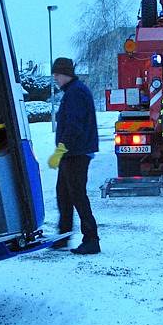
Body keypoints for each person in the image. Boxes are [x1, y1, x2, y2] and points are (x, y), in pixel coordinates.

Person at [47, 57, 100, 254]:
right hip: (71, 153)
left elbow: (74, 126)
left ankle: (92, 239)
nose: (56, 79)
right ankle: (63, 236)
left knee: (77, 195)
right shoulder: (72, 91)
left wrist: (60, 150)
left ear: (65, 74)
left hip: (76, 153)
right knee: (64, 194)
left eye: (57, 75)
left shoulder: (76, 93)